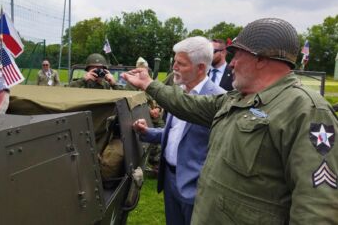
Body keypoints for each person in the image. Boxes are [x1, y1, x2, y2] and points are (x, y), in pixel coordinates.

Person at [122, 18, 338, 224]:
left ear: (261, 59)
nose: (232, 63)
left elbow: (318, 206)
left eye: (238, 55)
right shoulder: (235, 98)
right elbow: (187, 104)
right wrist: (149, 84)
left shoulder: (306, 110)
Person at [132, 37, 225, 225]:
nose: (174, 67)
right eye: (174, 61)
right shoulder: (178, 94)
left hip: (196, 188)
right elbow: (175, 134)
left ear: (200, 68)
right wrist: (147, 132)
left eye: (180, 64)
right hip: (170, 180)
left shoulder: (219, 99)